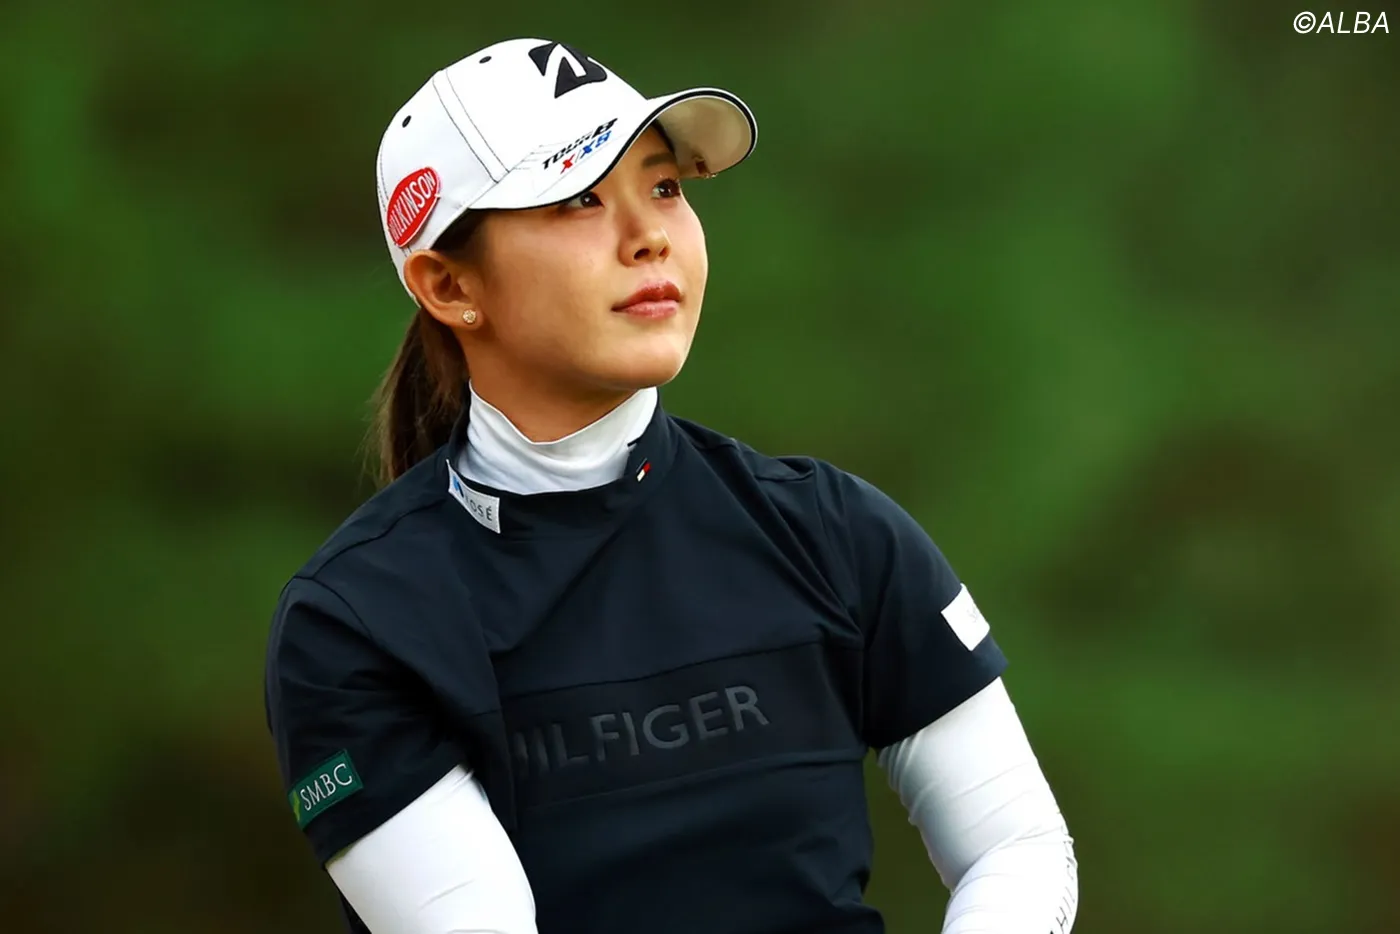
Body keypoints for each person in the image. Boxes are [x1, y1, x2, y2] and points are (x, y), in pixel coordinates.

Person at [264, 36, 1079, 934]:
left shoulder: (832, 531)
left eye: (663, 188)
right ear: (449, 284)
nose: (649, 236)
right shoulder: (357, 623)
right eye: (579, 198)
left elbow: (1018, 846)